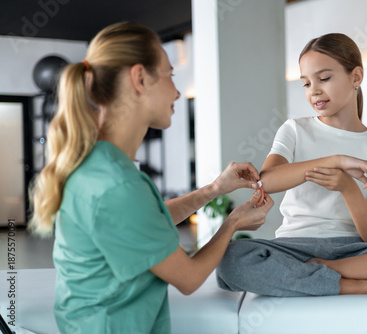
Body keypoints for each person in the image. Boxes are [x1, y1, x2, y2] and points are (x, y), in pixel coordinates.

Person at [29, 22, 273, 333]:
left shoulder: (100, 162)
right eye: (170, 75)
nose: (177, 90)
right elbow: (188, 277)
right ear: (140, 78)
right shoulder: (116, 184)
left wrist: (214, 189)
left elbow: (144, 222)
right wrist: (234, 222)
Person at [216, 33, 367, 297]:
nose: (314, 91)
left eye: (324, 78)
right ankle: (353, 284)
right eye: (306, 83)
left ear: (356, 77)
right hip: (294, 247)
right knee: (230, 259)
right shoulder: (294, 130)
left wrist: (348, 188)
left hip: (357, 252)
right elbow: (265, 182)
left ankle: (328, 270)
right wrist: (335, 162)